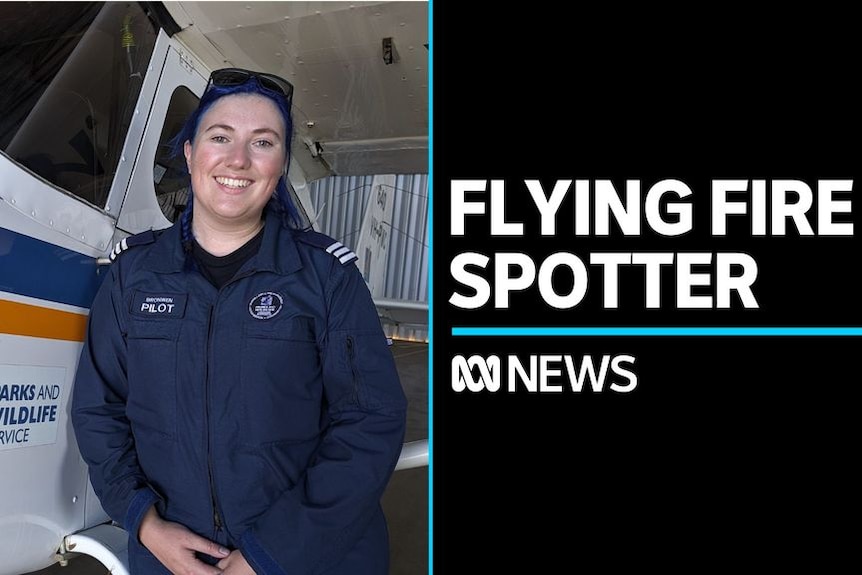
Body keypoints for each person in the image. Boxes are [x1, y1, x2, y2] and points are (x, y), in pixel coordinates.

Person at [72, 68, 407, 575]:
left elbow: (369, 423)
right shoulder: (130, 277)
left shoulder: (326, 277)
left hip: (310, 560)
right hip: (172, 559)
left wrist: (269, 554)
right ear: (189, 153)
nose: (238, 160)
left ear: (279, 167)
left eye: (263, 142)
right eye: (220, 136)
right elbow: (100, 414)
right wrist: (144, 523)